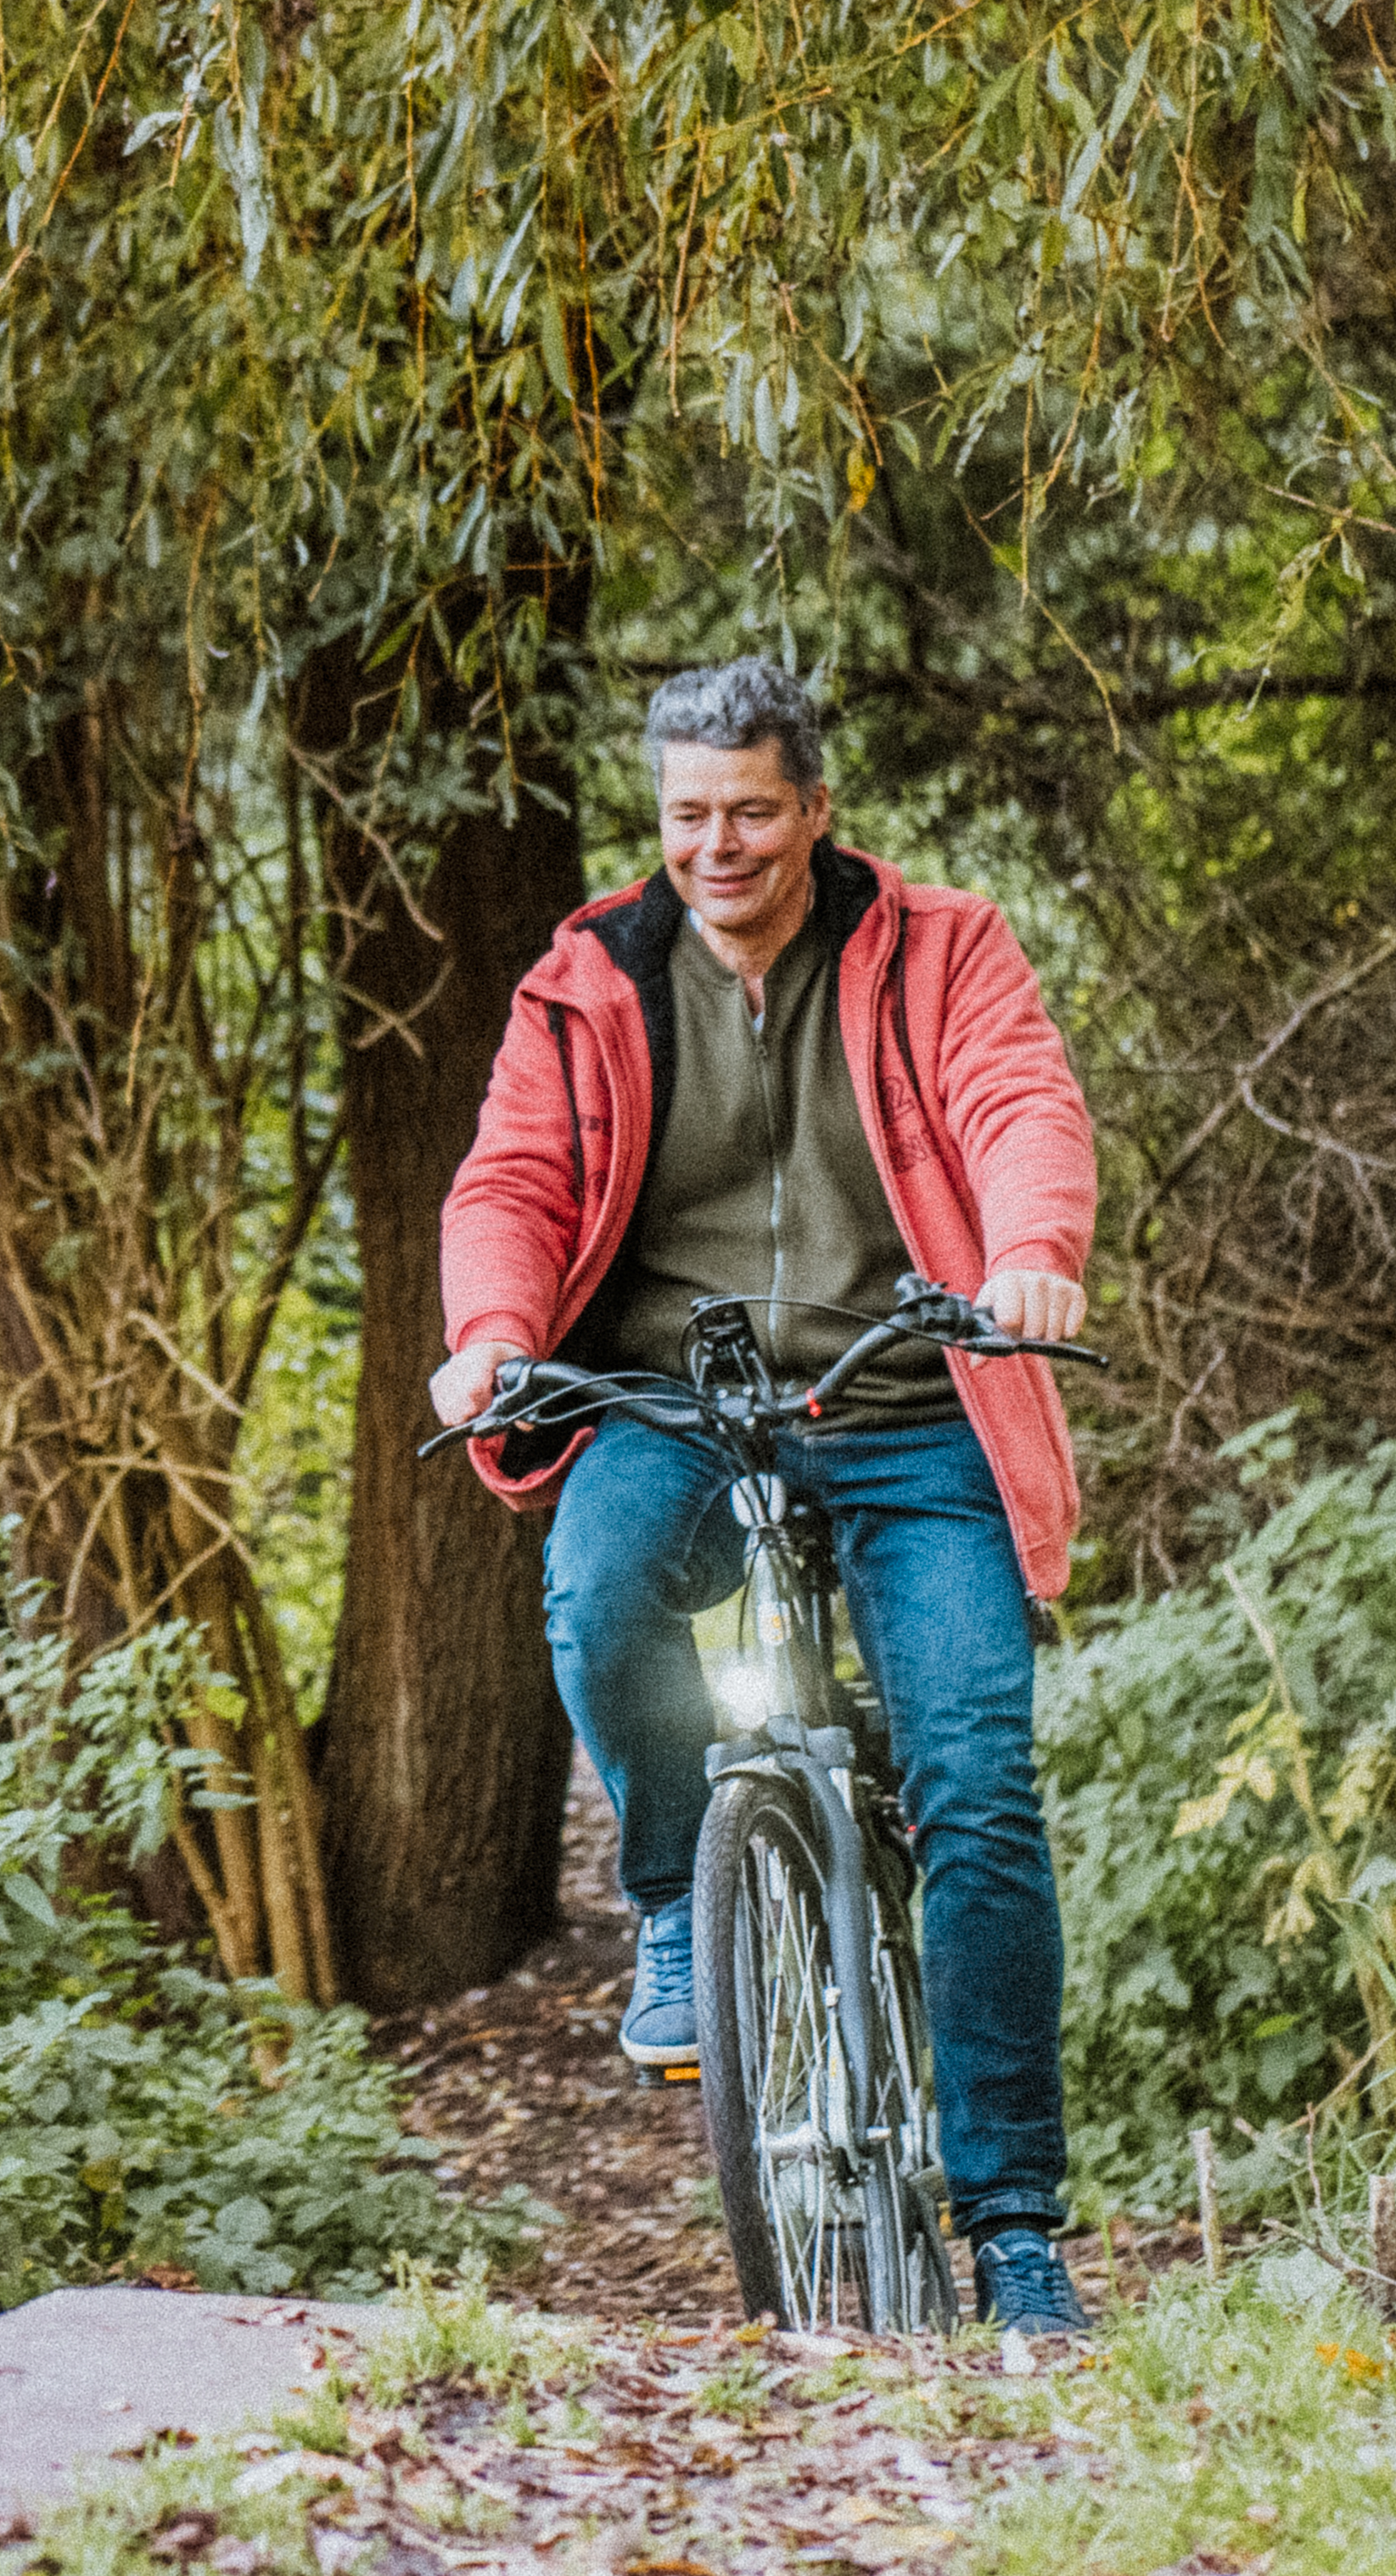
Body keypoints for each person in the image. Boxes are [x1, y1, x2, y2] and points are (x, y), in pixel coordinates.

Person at [430, 657, 1103, 2338]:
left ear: (813, 807)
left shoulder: (939, 946)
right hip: (679, 1396)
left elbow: (1015, 1097)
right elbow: (512, 1171)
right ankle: (677, 1889)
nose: (714, 844)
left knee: (978, 1788)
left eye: (747, 809)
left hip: (904, 1392)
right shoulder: (593, 977)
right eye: (685, 813)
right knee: (594, 1597)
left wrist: (1030, 1252)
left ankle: (1016, 2232)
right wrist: (494, 1333)